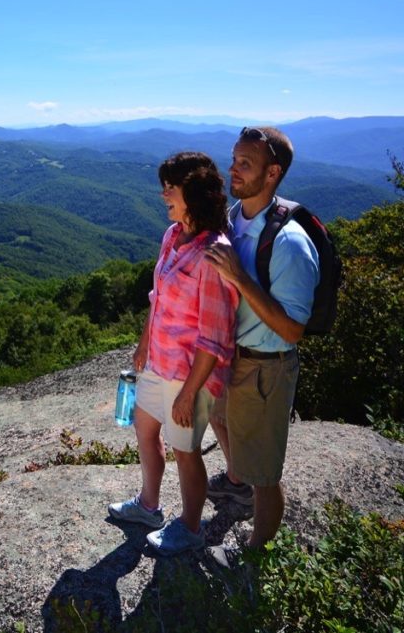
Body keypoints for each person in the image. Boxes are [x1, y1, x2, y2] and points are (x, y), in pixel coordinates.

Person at [108, 152, 238, 555]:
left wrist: (188, 394)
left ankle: (191, 527)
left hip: (188, 375)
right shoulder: (172, 236)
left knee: (186, 452)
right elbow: (158, 297)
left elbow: (214, 337)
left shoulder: (213, 254)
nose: (163, 193)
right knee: (144, 429)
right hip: (159, 362)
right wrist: (144, 342)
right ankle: (149, 506)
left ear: (193, 192)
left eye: (171, 186)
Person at [204, 126, 319, 559]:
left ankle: (256, 554)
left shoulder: (290, 243)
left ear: (272, 174)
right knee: (220, 420)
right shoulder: (236, 216)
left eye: (244, 164)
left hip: (266, 366)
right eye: (233, 159)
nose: (232, 169)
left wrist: (239, 277)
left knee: (266, 473)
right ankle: (237, 484)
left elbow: (293, 330)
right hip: (231, 355)